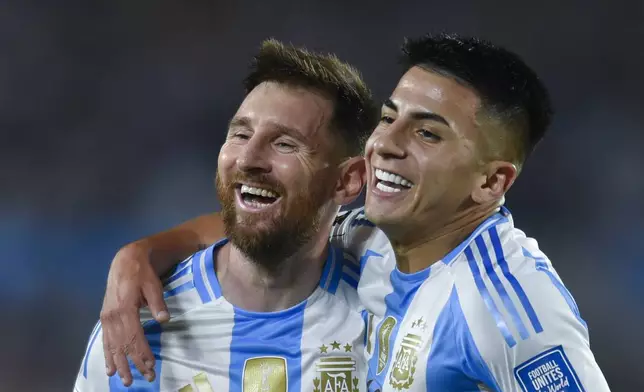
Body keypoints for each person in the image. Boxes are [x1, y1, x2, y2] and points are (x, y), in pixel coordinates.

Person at [100, 34, 610, 392]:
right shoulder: (381, 236)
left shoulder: (503, 309)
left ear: (491, 182)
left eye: (427, 133)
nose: (386, 143)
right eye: (390, 118)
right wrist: (141, 252)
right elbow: (276, 219)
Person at [74, 38, 378, 391]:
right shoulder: (134, 332)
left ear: (348, 180)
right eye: (240, 134)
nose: (248, 159)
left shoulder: (385, 299)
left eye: (284, 144)